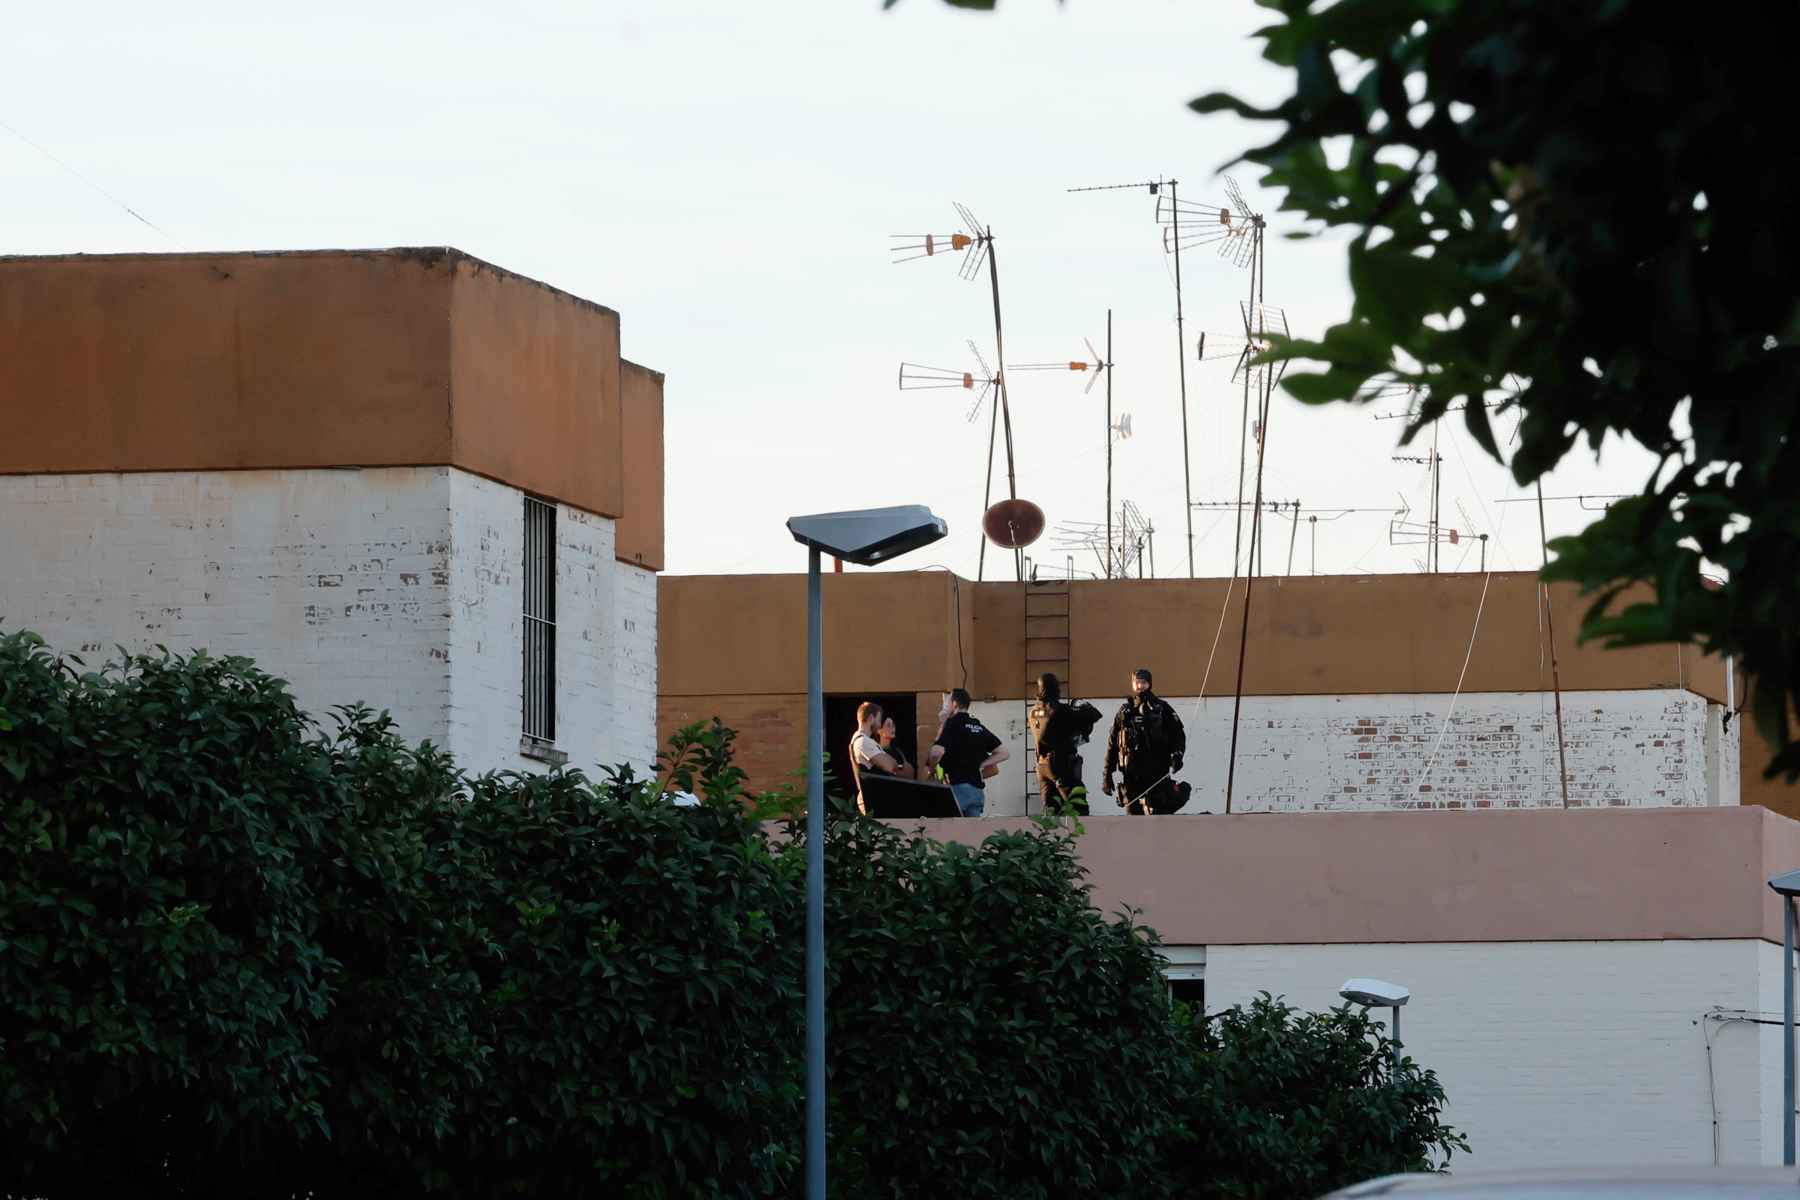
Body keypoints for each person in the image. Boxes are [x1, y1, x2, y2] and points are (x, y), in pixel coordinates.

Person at [1102, 668, 1191, 816]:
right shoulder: (1125, 712)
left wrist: (1177, 756)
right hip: (1132, 776)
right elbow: (1113, 744)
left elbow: (1178, 736)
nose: (1140, 686)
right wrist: (1107, 774)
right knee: (1133, 818)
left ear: (1150, 684)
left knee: (1158, 815)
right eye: (1137, 683)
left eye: (1143, 683)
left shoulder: (1162, 708)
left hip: (1157, 773)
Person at [1027, 672, 1103, 816]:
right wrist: (1083, 707)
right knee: (1078, 807)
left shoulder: (1033, 711)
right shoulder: (1059, 710)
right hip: (1060, 763)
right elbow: (1093, 715)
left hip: (1041, 765)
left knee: (1051, 812)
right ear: (1056, 689)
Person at [926, 688, 1008, 818]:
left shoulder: (952, 724)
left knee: (948, 831)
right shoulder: (978, 726)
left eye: (947, 702)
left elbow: (937, 753)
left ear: (954, 704)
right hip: (977, 793)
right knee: (972, 834)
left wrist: (931, 770)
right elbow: (1003, 753)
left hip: (958, 790)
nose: (944, 706)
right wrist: (980, 766)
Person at [848, 701, 903, 812]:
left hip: (875, 800)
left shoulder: (861, 740)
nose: (879, 724)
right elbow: (891, 766)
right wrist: (891, 761)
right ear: (871, 718)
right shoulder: (863, 741)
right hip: (874, 802)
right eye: (879, 719)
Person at [876, 715, 915, 779]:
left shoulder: (898, 752)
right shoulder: (875, 750)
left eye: (893, 725)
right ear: (879, 730)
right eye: (888, 725)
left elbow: (910, 775)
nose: (893, 728)